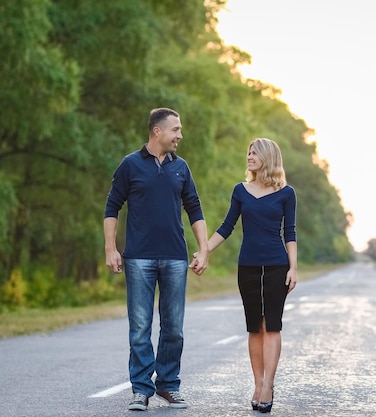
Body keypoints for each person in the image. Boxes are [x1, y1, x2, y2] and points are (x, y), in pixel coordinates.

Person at [104, 107, 209, 411]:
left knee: (173, 326)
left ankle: (168, 385)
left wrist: (202, 249)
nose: (180, 135)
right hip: (138, 258)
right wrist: (111, 248)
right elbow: (112, 208)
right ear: (157, 131)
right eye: (175, 129)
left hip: (176, 258)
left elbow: (195, 209)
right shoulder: (130, 165)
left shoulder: (182, 168)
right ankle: (141, 389)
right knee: (140, 326)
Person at [193, 137, 297, 414]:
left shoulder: (287, 193)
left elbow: (290, 232)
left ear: (267, 157)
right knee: (254, 326)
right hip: (248, 266)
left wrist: (294, 268)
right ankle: (257, 383)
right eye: (248, 152)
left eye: (254, 153)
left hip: (277, 266)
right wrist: (204, 251)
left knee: (271, 325)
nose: (249, 156)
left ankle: (269, 386)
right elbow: (227, 226)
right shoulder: (240, 191)